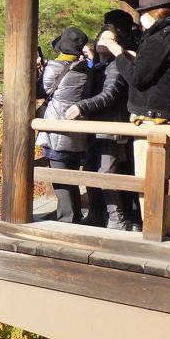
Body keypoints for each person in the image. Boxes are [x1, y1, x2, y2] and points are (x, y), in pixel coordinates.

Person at [100, 0, 170, 235]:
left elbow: (138, 79)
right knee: (160, 178)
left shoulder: (159, 38)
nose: (140, 18)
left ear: (152, 14)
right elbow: (159, 71)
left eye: (142, 12)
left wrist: (118, 54)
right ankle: (165, 229)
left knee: (149, 180)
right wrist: (134, 57)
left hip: (153, 118)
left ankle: (156, 231)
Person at [65, 25, 130, 229]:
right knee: (91, 169)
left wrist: (82, 106)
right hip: (93, 127)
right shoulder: (96, 66)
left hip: (109, 128)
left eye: (111, 39)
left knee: (106, 173)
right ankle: (96, 213)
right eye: (102, 38)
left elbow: (110, 95)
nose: (105, 42)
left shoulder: (116, 65)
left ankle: (117, 219)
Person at [37, 27, 91, 223]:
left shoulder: (54, 68)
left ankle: (67, 219)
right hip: (78, 131)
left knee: (60, 180)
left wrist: (37, 71)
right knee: (72, 177)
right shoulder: (85, 69)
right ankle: (75, 215)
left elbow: (38, 91)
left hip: (57, 132)